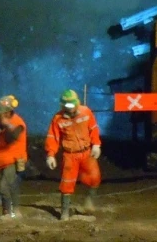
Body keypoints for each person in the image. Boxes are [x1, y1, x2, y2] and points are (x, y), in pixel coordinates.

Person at [45, 89, 102, 221]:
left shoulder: (86, 112)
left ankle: (89, 201)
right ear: (62, 105)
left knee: (94, 177)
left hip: (86, 152)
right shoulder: (58, 119)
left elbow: (93, 128)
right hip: (70, 155)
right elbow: (52, 137)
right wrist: (51, 154)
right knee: (67, 183)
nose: (70, 108)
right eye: (67, 105)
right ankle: (64, 213)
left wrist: (96, 144)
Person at [0, 95, 27, 220]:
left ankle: (9, 213)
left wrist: (7, 125)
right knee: (11, 186)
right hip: (2, 160)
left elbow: (11, 138)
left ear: (7, 113)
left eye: (0, 113)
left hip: (13, 160)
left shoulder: (18, 123)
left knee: (4, 186)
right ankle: (12, 212)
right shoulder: (0, 123)